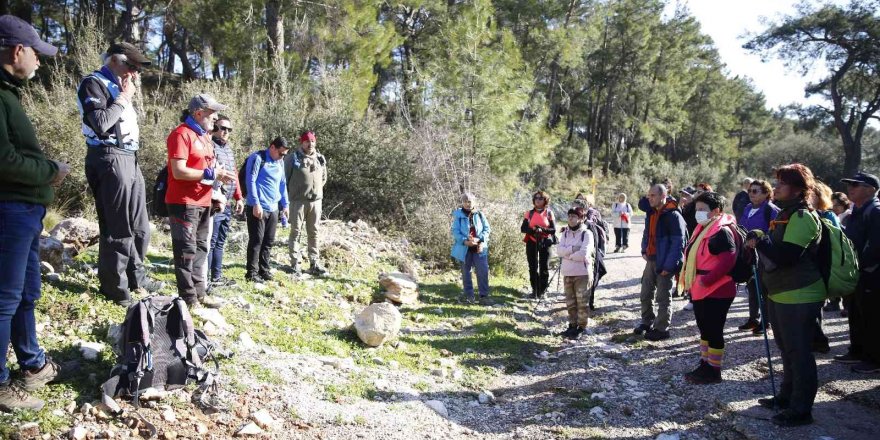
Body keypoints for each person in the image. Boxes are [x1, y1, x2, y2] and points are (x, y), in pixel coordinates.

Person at [0, 15, 68, 411]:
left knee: (25, 292)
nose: (40, 61)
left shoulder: (8, 94)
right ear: (17, 51)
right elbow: (4, 161)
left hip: (23, 212)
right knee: (5, 298)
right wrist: (50, 171)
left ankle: (32, 364)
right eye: (37, 54)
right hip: (8, 211)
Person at [78, 42, 162, 305]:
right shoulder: (93, 83)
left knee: (140, 226)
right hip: (108, 156)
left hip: (129, 157)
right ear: (114, 60)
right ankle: (115, 288)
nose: (134, 73)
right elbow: (101, 123)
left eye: (138, 69)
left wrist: (125, 95)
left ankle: (136, 278)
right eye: (131, 66)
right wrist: (124, 97)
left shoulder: (119, 85)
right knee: (117, 226)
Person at [747, 163, 825, 427]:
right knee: (787, 349)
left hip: (800, 294)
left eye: (782, 183)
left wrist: (761, 240)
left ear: (798, 189)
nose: (776, 187)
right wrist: (762, 236)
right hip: (782, 293)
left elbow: (787, 256)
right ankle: (786, 397)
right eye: (777, 181)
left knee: (799, 352)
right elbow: (777, 247)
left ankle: (801, 410)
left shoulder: (802, 217)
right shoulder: (785, 213)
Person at [165, 94, 234, 306]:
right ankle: (189, 299)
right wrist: (211, 174)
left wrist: (217, 190)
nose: (215, 118)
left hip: (204, 201)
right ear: (198, 113)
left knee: (201, 249)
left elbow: (209, 171)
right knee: (186, 252)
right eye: (212, 113)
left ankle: (200, 294)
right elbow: (178, 171)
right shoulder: (181, 134)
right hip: (183, 202)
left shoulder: (205, 137)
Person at [680, 192, 737, 384]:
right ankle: (705, 365)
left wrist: (708, 280)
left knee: (714, 330)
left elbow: (729, 258)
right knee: (704, 329)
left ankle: (714, 371)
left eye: (703, 209)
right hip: (701, 288)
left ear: (716, 211)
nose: (698, 213)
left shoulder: (721, 231)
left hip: (718, 289)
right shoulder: (703, 228)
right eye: (697, 209)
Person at [835, 172, 880, 374]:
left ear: (871, 189)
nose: (850, 188)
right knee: (855, 312)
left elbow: (876, 246)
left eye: (856, 185)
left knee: (872, 317)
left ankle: (874, 359)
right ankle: (857, 351)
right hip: (857, 273)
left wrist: (862, 266)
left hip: (872, 274)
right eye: (849, 184)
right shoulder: (857, 210)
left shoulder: (876, 211)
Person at [635, 184, 686, 341]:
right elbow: (647, 233)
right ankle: (647, 322)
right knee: (645, 293)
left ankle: (662, 329)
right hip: (651, 260)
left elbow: (678, 243)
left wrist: (669, 266)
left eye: (653, 196)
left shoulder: (673, 215)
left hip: (664, 262)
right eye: (648, 195)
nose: (649, 199)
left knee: (663, 297)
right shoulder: (651, 212)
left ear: (663, 196)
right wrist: (644, 249)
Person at [243, 137, 290, 282]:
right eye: (281, 153)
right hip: (258, 207)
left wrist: (285, 204)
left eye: (284, 155)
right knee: (256, 240)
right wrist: (255, 203)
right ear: (272, 147)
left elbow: (282, 183)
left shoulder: (280, 162)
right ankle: (252, 273)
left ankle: (264, 270)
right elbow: (250, 181)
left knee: (268, 241)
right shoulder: (257, 158)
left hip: (273, 207)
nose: (282, 157)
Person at [736, 179, 779, 334]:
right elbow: (741, 226)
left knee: (764, 289)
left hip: (764, 255)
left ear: (766, 193)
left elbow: (775, 233)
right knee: (752, 287)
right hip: (749, 254)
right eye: (749, 191)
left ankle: (766, 323)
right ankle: (753, 319)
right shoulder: (748, 207)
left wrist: (759, 239)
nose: (751, 194)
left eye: (755, 191)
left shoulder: (771, 210)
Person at [207, 115, 245, 286]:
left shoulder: (228, 150)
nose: (226, 132)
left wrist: (239, 197)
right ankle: (205, 279)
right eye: (223, 128)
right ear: (215, 128)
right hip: (215, 202)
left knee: (220, 241)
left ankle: (216, 277)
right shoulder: (210, 146)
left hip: (228, 202)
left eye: (229, 129)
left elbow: (234, 174)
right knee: (211, 241)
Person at [285, 131, 328, 276]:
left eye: (312, 141)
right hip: (298, 202)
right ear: (301, 142)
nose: (310, 144)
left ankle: (314, 263)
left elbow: (324, 178)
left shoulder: (320, 158)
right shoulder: (292, 158)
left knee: (314, 232)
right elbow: (284, 179)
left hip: (316, 202)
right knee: (295, 232)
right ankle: (294, 264)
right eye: (307, 141)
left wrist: (315, 190)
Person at [556, 207, 594, 339]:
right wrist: (573, 249)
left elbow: (584, 253)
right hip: (567, 273)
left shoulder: (587, 234)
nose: (571, 219)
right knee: (570, 303)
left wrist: (568, 255)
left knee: (582, 302)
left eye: (574, 216)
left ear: (581, 219)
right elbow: (559, 251)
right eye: (569, 216)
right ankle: (572, 326)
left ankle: (581, 327)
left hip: (582, 273)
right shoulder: (565, 233)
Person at [450, 193, 491, 305]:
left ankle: (484, 296)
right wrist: (465, 241)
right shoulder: (458, 216)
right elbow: (455, 231)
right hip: (464, 248)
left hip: (479, 247)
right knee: (466, 272)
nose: (467, 204)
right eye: (465, 201)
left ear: (474, 202)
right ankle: (469, 296)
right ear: (462, 203)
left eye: (469, 201)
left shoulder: (480, 214)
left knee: (483, 271)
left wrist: (480, 239)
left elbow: (487, 229)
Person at [521, 191, 556, 299]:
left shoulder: (549, 213)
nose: (538, 200)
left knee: (544, 267)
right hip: (531, 241)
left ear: (545, 200)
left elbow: (553, 230)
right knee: (532, 266)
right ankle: (535, 290)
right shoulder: (529, 213)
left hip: (545, 242)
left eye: (540, 198)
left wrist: (542, 229)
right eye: (536, 198)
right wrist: (533, 230)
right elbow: (523, 228)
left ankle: (542, 291)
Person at [825, 191, 853, 315]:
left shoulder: (848, 216)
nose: (834, 207)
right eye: (833, 205)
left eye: (837, 205)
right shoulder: (832, 215)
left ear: (844, 204)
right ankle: (834, 302)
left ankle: (847, 306)